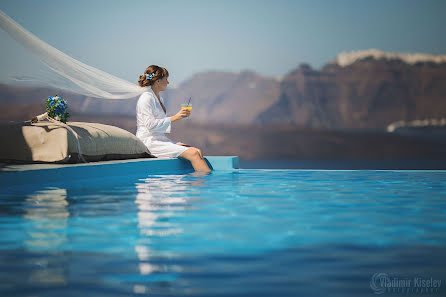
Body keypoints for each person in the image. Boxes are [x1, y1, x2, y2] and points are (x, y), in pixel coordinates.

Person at [136, 65, 211, 172]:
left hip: (160, 139)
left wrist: (177, 119)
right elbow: (150, 125)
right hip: (149, 142)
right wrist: (175, 117)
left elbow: (159, 128)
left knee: (197, 150)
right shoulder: (146, 98)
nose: (168, 82)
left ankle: (200, 181)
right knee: (193, 153)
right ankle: (205, 185)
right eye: (166, 79)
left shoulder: (159, 98)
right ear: (157, 81)